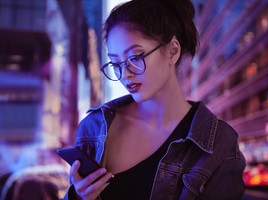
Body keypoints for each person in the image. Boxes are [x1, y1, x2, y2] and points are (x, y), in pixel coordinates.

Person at [64, 0, 246, 199]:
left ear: (172, 51)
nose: (125, 74)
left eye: (134, 57)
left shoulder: (218, 144)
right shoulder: (94, 128)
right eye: (115, 64)